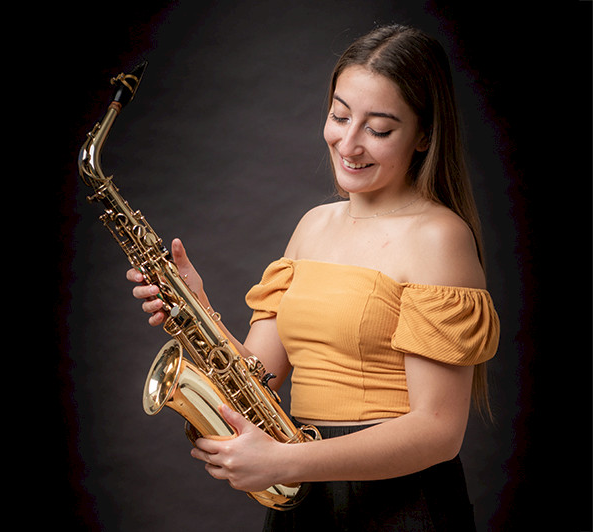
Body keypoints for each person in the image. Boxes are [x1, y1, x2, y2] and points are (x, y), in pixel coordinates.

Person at [127, 24, 499, 531]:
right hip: (306, 501)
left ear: (424, 136)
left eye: (378, 129)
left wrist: (286, 462)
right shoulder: (312, 225)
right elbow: (258, 376)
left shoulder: (440, 238)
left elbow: (438, 431)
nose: (349, 143)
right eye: (340, 116)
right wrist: (198, 305)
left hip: (402, 506)